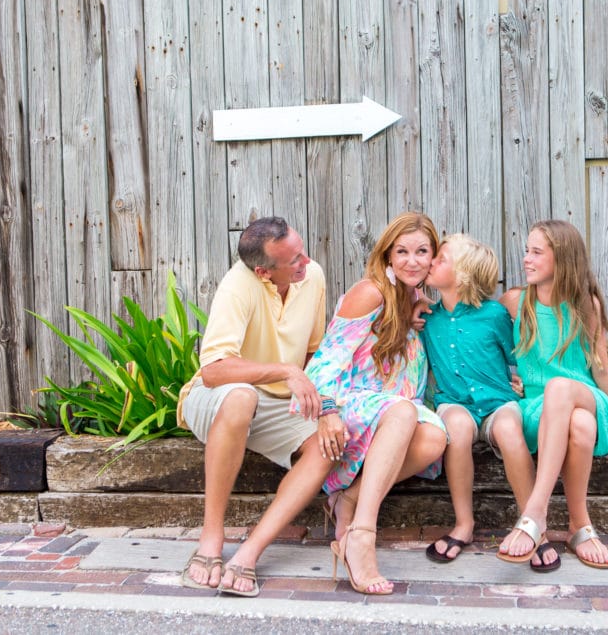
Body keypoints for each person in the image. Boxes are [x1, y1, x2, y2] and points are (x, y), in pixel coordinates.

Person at [176, 216, 342, 596]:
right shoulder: (238, 287)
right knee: (241, 396)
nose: (307, 261)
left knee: (328, 445)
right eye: (294, 260)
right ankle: (211, 538)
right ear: (265, 272)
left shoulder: (311, 276)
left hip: (277, 404)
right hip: (218, 399)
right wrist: (285, 370)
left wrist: (328, 408)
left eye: (302, 251)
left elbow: (316, 354)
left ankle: (249, 553)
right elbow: (215, 370)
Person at [496, 220, 608, 569]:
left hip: (586, 395)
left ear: (563, 258)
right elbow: (482, 339)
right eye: (526, 250)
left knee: (563, 389)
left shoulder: (585, 305)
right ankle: (579, 525)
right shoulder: (516, 302)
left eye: (536, 252)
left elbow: (602, 368)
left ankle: (534, 513)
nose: (526, 259)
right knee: (581, 426)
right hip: (539, 411)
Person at [293, 212, 448, 595]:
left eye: (422, 251)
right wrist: (328, 411)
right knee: (404, 411)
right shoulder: (371, 292)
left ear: (434, 258)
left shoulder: (416, 302)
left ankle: (347, 499)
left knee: (435, 440)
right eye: (403, 252)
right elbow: (322, 365)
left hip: (391, 411)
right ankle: (362, 535)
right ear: (388, 257)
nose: (412, 261)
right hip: (345, 404)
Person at [420, 234, 558, 571]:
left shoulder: (494, 314)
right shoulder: (426, 318)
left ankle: (532, 525)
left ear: (464, 274)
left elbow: (519, 357)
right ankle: (464, 524)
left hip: (498, 402)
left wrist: (525, 382)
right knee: (456, 428)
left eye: (441, 259)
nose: (431, 262)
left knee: (511, 429)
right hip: (455, 402)